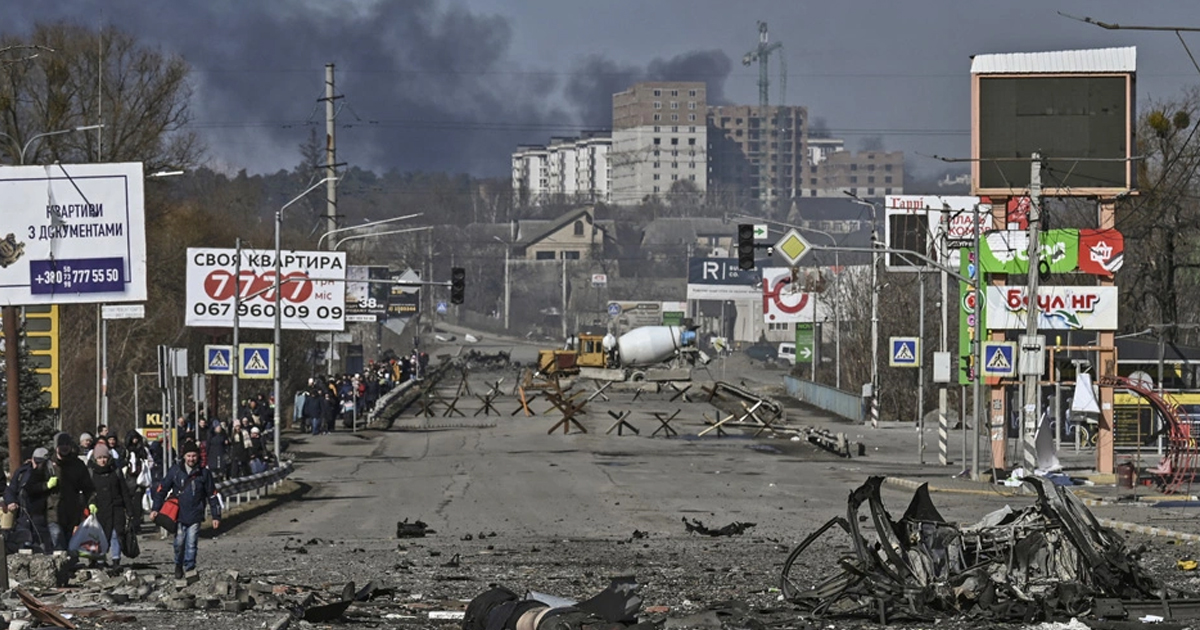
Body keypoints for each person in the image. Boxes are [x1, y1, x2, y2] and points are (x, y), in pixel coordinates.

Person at [150, 442, 221, 578]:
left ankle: (190, 568)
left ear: (198, 456)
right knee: (179, 542)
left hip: (195, 513)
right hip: (179, 514)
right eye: (188, 456)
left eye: (194, 456)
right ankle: (178, 564)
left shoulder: (204, 474)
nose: (191, 459)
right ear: (184, 456)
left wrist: (216, 516)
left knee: (191, 543)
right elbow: (162, 490)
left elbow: (212, 495)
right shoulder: (175, 471)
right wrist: (155, 509)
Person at [87, 442, 131, 569]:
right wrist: (90, 504)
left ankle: (116, 560)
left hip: (115, 508)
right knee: (100, 536)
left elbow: (124, 491)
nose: (102, 460)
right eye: (99, 458)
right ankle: (101, 560)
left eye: (104, 457)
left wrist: (129, 510)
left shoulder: (115, 471)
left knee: (115, 534)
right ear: (95, 459)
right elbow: (87, 492)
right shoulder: (92, 473)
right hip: (99, 509)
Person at [47, 432, 94, 551]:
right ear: (56, 446)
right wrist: (45, 485)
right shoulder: (47, 465)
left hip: (72, 511)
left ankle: (69, 566)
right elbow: (33, 486)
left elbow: (88, 487)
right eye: (61, 444)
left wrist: (92, 502)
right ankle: (60, 566)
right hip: (53, 511)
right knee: (57, 538)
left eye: (67, 444)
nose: (64, 447)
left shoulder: (77, 465)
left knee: (70, 545)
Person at [4, 447, 55, 553]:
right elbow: (10, 490)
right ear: (32, 459)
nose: (37, 465)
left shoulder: (50, 473)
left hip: (41, 516)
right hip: (23, 516)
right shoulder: (22, 472)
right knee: (22, 547)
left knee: (43, 548)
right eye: (36, 462)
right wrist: (11, 501)